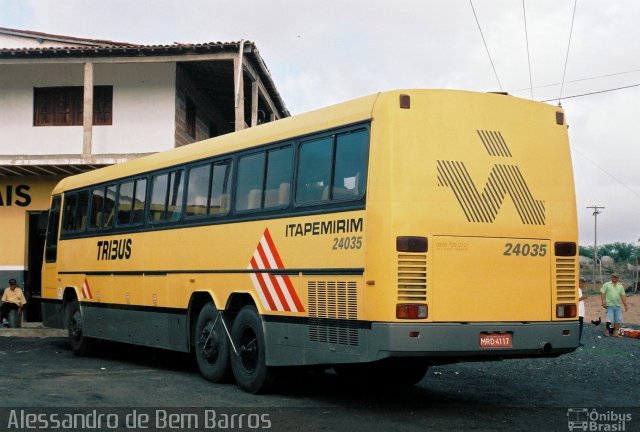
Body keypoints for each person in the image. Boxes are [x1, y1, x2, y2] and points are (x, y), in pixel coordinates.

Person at [600, 273, 628, 337]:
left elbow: (623, 296)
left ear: (618, 278)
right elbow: (602, 293)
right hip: (609, 305)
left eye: (616, 277)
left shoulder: (620, 286)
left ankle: (616, 333)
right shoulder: (606, 284)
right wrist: (603, 301)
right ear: (611, 277)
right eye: (614, 277)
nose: (615, 278)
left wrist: (625, 305)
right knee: (609, 320)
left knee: (617, 320)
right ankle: (607, 331)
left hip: (617, 305)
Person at [578, 277, 587, 345]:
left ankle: (578, 341)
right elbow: (575, 300)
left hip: (580, 312)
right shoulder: (577, 290)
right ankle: (577, 342)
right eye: (582, 283)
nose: (583, 285)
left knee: (580, 327)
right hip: (578, 313)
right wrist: (582, 298)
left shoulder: (579, 290)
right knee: (579, 327)